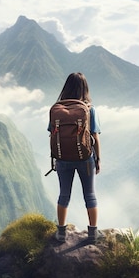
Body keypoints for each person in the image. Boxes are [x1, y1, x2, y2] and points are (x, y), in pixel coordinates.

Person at [49, 72, 101, 244]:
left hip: (62, 158)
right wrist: (98, 159)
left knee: (64, 194)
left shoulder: (57, 109)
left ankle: (61, 233)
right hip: (85, 159)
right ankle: (93, 234)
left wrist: (56, 157)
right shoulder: (89, 109)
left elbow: (52, 135)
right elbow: (95, 136)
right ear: (84, 89)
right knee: (90, 194)